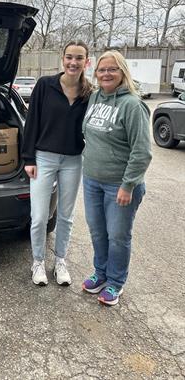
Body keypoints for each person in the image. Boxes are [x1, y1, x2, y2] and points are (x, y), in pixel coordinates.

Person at [82, 50, 152, 306]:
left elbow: (142, 151)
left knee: (118, 236)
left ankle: (115, 283)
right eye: (102, 70)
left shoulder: (133, 105)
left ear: (122, 72)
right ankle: (100, 274)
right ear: (96, 73)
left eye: (112, 69)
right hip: (91, 180)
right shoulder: (95, 99)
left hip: (119, 186)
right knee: (97, 232)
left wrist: (128, 184)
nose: (106, 74)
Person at [22, 41, 93, 286]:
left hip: (73, 160)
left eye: (79, 58)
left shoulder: (89, 92)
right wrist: (28, 158)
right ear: (62, 59)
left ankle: (60, 261)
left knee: (66, 215)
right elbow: (31, 121)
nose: (73, 62)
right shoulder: (45, 85)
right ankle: (38, 262)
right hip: (43, 158)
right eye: (69, 57)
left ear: (87, 62)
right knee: (40, 216)